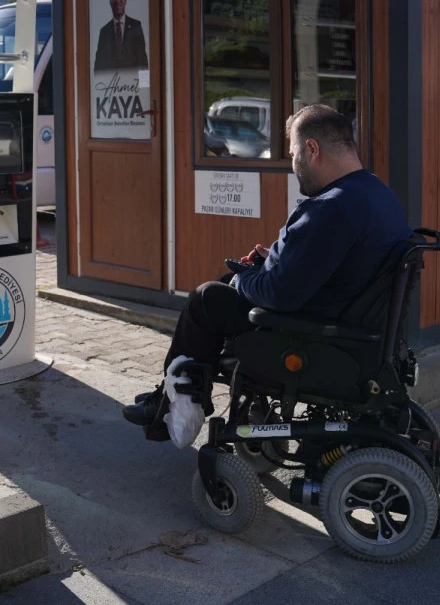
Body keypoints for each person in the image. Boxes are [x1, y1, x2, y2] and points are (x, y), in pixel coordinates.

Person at [122, 104, 411, 431]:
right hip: (349, 324)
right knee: (226, 284)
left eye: (291, 154)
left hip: (316, 337)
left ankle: (175, 404)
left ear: (311, 149)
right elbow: (328, 264)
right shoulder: (376, 193)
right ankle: (179, 395)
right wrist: (269, 262)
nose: (292, 165)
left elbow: (280, 295)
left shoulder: (332, 208)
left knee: (207, 298)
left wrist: (247, 279)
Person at [93, 0, 148, 72]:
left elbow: (143, 65)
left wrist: (144, 87)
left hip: (133, 85)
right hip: (111, 86)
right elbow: (98, 70)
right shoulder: (104, 32)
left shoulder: (136, 26)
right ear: (110, 0)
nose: (117, 0)